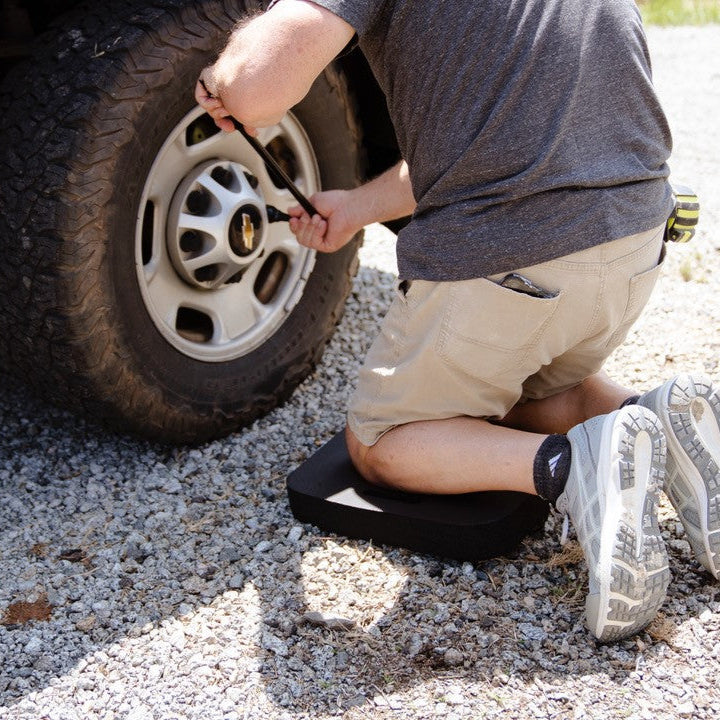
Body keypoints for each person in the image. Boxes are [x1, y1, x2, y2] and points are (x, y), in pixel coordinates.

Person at [195, 0, 720, 642]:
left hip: (517, 263)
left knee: (382, 441)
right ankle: (664, 418)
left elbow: (253, 89)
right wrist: (356, 208)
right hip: (636, 242)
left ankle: (572, 467)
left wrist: (225, 75)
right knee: (529, 387)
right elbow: (486, 138)